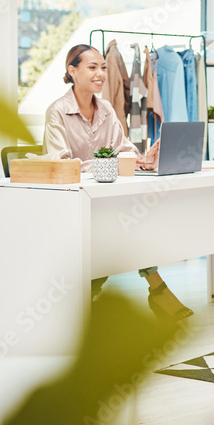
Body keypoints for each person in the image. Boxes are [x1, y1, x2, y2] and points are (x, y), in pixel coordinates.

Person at [44, 44, 193, 322]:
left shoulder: (107, 109)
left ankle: (89, 297)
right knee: (125, 226)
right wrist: (111, 162)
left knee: (131, 221)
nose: (101, 73)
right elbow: (61, 164)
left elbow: (122, 149)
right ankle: (156, 290)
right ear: (72, 71)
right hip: (73, 202)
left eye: (103, 67)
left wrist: (141, 159)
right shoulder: (57, 112)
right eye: (92, 67)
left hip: (105, 198)